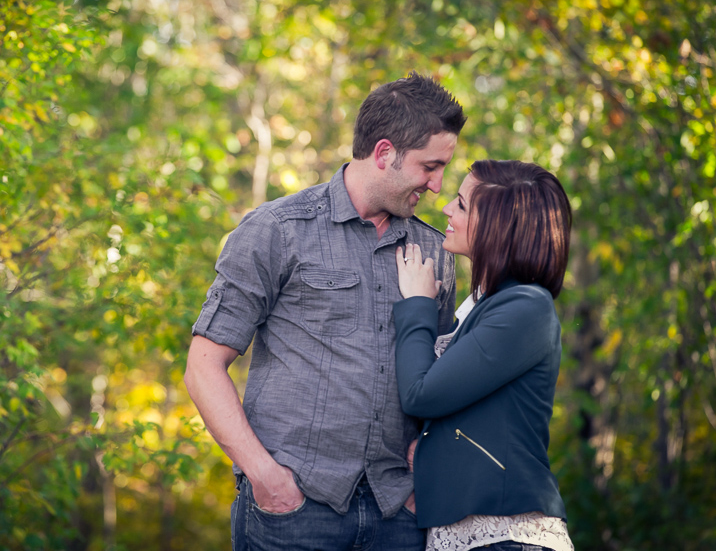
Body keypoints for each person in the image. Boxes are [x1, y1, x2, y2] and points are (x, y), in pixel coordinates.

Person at [184, 72, 466, 550]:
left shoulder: (437, 251)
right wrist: (264, 476)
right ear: (384, 154)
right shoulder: (277, 230)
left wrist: (426, 475)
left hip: (399, 514)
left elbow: (440, 382)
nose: (438, 186)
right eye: (429, 167)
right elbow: (203, 366)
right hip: (292, 512)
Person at [394, 159, 574, 551]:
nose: (445, 209)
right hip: (465, 534)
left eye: (460, 204)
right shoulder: (487, 305)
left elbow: (421, 394)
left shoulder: (526, 308)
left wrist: (418, 304)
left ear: (498, 225)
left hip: (507, 535)